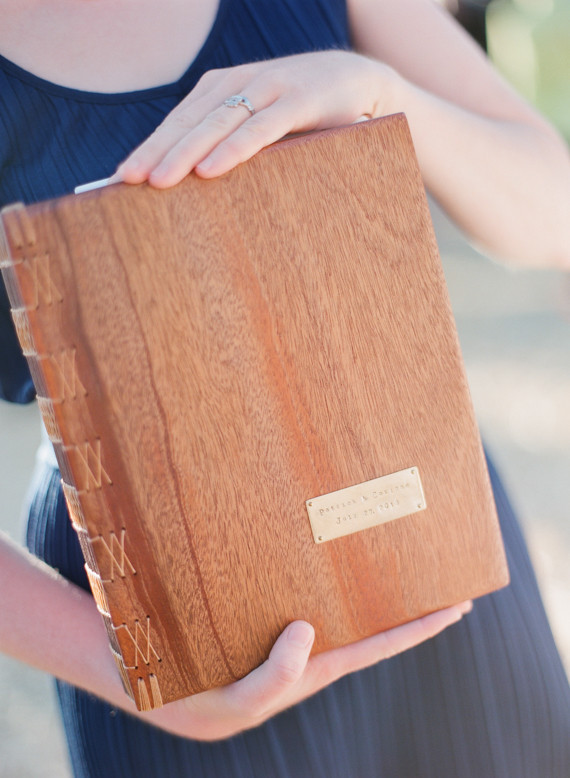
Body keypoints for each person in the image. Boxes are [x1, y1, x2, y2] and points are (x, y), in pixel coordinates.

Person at [0, 0, 569, 775]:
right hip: (167, 601)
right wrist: (127, 674)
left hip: (423, 519)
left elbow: (554, 212)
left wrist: (375, 89)